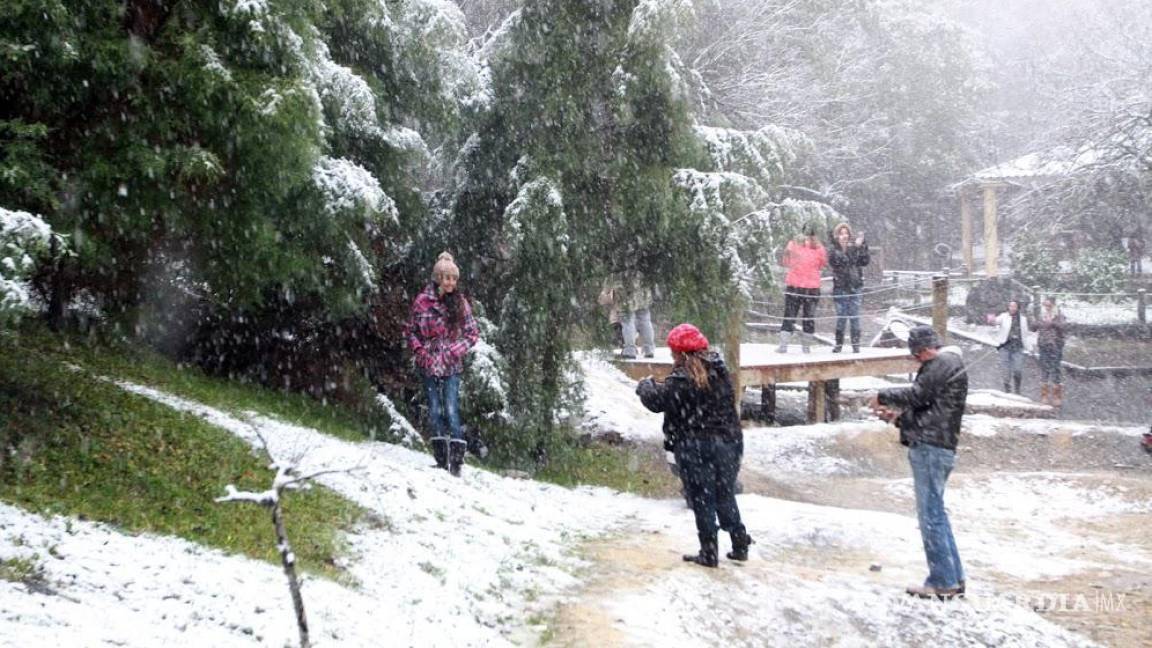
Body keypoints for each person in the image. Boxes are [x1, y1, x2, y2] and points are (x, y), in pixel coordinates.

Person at [636, 323, 753, 567]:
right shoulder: (720, 373)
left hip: (695, 446)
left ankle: (709, 552)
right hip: (728, 442)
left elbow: (658, 401)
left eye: (672, 351)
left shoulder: (680, 380)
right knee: (724, 494)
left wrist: (645, 386)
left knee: (702, 498)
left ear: (679, 353)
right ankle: (739, 542)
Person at [869, 325, 968, 600]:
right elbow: (930, 409)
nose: (916, 360)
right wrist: (899, 419)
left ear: (922, 350)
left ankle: (942, 581)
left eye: (916, 356)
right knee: (937, 513)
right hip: (940, 445)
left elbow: (917, 395)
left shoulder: (940, 363)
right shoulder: (948, 365)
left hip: (930, 449)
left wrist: (882, 395)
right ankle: (953, 577)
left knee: (930, 516)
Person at [405, 252, 480, 476]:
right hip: (428, 363)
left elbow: (472, 333)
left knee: (451, 408)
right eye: (447, 278)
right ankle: (441, 459)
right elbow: (410, 331)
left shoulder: (460, 302)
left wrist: (453, 351)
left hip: (451, 365)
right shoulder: (421, 302)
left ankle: (456, 462)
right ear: (438, 278)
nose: (451, 283)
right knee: (434, 410)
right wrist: (420, 351)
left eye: (454, 279)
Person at [778, 221, 828, 353]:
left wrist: (817, 248)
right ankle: (786, 345)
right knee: (792, 315)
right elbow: (786, 262)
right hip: (796, 286)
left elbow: (823, 264)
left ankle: (804, 347)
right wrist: (789, 250)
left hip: (809, 287)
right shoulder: (794, 244)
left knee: (806, 317)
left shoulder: (818, 248)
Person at [828, 223, 870, 353]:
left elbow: (864, 261)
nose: (844, 236)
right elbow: (841, 261)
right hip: (841, 287)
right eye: (841, 233)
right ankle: (839, 344)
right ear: (837, 236)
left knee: (855, 317)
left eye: (846, 233)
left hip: (855, 286)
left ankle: (856, 345)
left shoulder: (855, 248)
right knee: (841, 317)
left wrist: (863, 245)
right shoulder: (834, 250)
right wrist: (854, 248)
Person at [604, 273, 655, 359]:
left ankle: (630, 349)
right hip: (642, 290)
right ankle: (649, 349)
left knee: (627, 321)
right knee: (645, 320)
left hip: (626, 293)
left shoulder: (619, 271)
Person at [993, 299, 1032, 395]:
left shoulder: (1023, 320)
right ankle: (1007, 389)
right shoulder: (1004, 316)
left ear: (1018, 308)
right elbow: (995, 321)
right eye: (1010, 306)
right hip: (1005, 347)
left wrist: (1029, 348)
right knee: (1006, 370)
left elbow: (1025, 335)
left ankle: (1017, 390)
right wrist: (991, 318)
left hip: (1018, 348)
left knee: (1017, 369)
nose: (1012, 308)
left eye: (1014, 306)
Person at [1034, 296, 1066, 407]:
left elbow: (1063, 328)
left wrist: (1053, 323)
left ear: (1053, 305)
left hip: (1056, 345)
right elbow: (1033, 328)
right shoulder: (1041, 315)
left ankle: (1057, 395)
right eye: (1045, 305)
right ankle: (1044, 395)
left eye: (1049, 305)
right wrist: (1035, 322)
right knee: (1044, 369)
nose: (1047, 307)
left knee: (1056, 369)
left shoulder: (1059, 315)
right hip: (1043, 345)